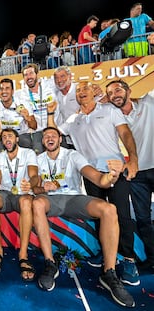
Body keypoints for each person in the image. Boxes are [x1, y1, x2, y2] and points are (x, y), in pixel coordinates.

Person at [47, 81, 141, 286]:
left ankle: (128, 260)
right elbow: (53, 132)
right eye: (79, 90)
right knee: (99, 216)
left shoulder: (108, 110)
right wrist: (50, 113)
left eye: (85, 88)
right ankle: (107, 254)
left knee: (122, 215)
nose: (81, 92)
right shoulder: (73, 119)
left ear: (94, 92)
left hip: (115, 171)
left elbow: (125, 133)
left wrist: (132, 158)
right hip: (91, 175)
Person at [31, 126, 135, 308]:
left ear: (60, 139)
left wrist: (110, 177)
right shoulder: (38, 160)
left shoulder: (73, 155)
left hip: (73, 198)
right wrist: (42, 188)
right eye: (46, 136)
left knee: (109, 209)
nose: (49, 138)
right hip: (50, 200)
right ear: (42, 141)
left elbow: (97, 179)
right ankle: (50, 263)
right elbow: (35, 188)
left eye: (53, 135)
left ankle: (109, 273)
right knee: (37, 202)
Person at [106, 79, 154, 272]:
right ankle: (152, 258)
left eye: (118, 90)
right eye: (110, 93)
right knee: (143, 219)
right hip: (136, 175)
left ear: (129, 90)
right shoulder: (112, 115)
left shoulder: (149, 101)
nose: (114, 95)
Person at [0, 128, 39, 279]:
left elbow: (34, 175)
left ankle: (23, 254)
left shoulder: (28, 153)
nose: (7, 139)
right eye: (3, 137)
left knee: (26, 202)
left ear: (17, 139)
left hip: (23, 192)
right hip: (6, 193)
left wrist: (30, 184)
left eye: (10, 136)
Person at [0, 72, 37, 152]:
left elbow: (34, 126)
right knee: (0, 153)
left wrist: (28, 118)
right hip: (6, 137)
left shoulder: (23, 104)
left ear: (12, 91)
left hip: (22, 135)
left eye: (7, 88)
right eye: (1, 89)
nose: (4, 91)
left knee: (26, 145)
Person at [14, 63, 61, 154]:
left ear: (37, 74)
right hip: (38, 132)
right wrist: (27, 118)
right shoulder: (23, 95)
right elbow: (32, 124)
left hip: (55, 129)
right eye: (26, 75)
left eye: (31, 73)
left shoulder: (51, 86)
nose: (29, 77)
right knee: (39, 158)